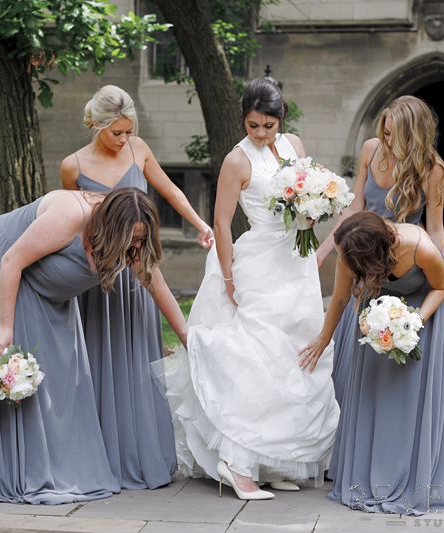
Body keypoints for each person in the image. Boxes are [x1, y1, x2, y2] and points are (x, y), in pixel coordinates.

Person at [155, 78, 340, 500]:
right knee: (259, 358)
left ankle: (272, 459)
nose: (260, 133)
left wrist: (314, 210)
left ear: (281, 120)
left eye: (268, 125)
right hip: (259, 261)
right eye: (254, 125)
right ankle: (238, 464)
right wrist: (230, 278)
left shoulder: (294, 143)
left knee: (295, 357)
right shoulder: (237, 161)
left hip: (297, 262)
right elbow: (221, 222)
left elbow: (308, 193)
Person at [0, 187, 188, 505]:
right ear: (111, 227)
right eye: (132, 238)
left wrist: (188, 338)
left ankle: (58, 467)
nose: (136, 245)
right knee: (22, 378)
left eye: (141, 238)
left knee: (62, 379)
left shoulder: (132, 242)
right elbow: (11, 261)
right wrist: (5, 328)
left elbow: (156, 285)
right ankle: (17, 473)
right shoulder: (68, 217)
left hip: (48, 289)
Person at [60, 85, 213, 490]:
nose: (124, 139)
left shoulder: (138, 150)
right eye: (117, 133)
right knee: (97, 367)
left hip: (138, 276)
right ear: (96, 123)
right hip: (98, 280)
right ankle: (100, 459)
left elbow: (170, 190)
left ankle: (142, 454)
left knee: (136, 364)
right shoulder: (72, 166)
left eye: (128, 131)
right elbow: (73, 222)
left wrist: (200, 223)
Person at [299, 211, 444, 515]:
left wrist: (413, 322)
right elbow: (339, 299)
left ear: (369, 252)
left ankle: (413, 471)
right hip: (378, 301)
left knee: (411, 389)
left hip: (427, 300)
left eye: (346, 257)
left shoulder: (420, 248)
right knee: (374, 385)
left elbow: (441, 287)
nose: (343, 260)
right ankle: (369, 473)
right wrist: (324, 338)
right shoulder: (350, 251)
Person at [314, 95, 444, 411]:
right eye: (385, 132)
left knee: (392, 365)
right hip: (364, 259)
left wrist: (435, 279)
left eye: (394, 135)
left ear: (413, 134)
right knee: (351, 356)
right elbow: (356, 207)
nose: (387, 141)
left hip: (403, 268)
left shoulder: (432, 168)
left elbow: (436, 228)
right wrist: (324, 251)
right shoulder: (371, 150)